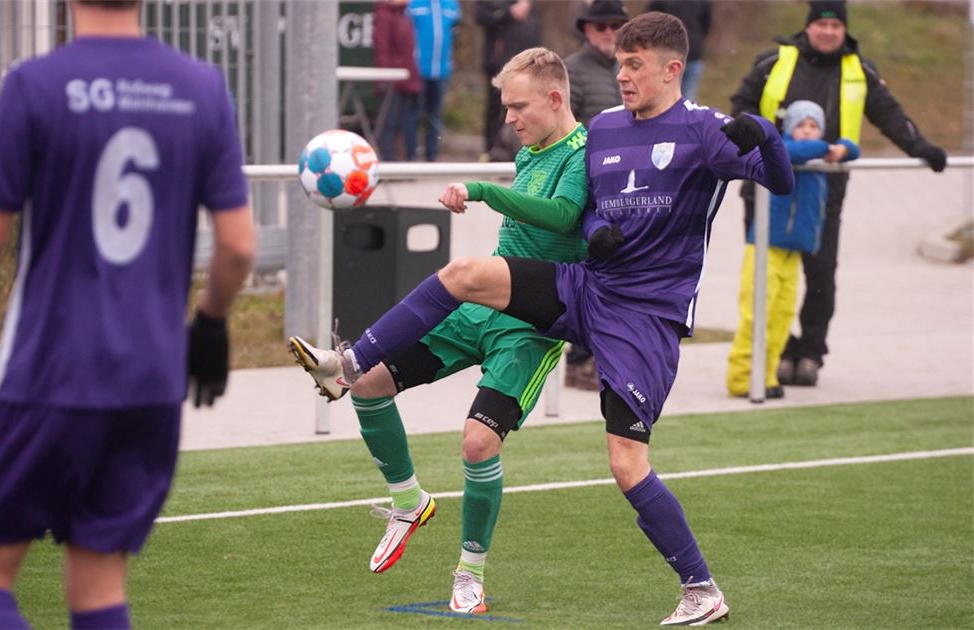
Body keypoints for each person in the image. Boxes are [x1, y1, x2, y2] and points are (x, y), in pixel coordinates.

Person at [291, 12, 794, 625]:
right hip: (585, 286)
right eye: (619, 62)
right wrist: (598, 230)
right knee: (463, 275)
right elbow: (583, 212)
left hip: (643, 315)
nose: (621, 73)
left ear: (672, 68)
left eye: (634, 64)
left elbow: (781, 182)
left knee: (624, 462)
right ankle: (352, 364)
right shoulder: (607, 128)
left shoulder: (704, 129)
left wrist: (766, 137)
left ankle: (700, 588)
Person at [0, 2, 256, 629]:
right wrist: (211, 323)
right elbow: (239, 244)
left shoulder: (35, 84)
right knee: (98, 584)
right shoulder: (201, 87)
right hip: (149, 386)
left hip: (50, 375)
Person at [290, 47, 588, 615]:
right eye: (504, 107)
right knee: (371, 384)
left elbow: (562, 218)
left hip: (531, 327)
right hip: (483, 306)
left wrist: (481, 190)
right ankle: (408, 502)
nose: (509, 119)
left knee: (477, 443)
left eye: (517, 106)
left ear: (555, 99)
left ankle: (470, 571)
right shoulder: (531, 150)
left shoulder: (584, 152)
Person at [731, 0, 947, 387]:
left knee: (820, 279)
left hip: (823, 196)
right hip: (767, 196)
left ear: (845, 31)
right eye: (821, 24)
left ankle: (811, 354)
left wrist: (923, 149)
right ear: (808, 26)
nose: (828, 32)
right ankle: (775, 356)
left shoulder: (858, 70)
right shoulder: (773, 62)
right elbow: (741, 108)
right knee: (766, 284)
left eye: (836, 27)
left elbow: (891, 116)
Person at [726, 100, 859, 400]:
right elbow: (791, 150)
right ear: (789, 129)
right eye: (802, 125)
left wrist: (841, 150)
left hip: (793, 251)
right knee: (757, 313)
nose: (808, 132)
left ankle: (766, 374)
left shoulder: (820, 155)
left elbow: (853, 147)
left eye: (814, 126)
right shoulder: (784, 151)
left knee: (781, 316)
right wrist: (825, 146)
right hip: (765, 247)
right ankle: (740, 376)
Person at [562, 0, 628, 391]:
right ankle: (579, 360)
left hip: (624, 191)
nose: (608, 31)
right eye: (600, 25)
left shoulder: (629, 69)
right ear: (586, 29)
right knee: (589, 278)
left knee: (616, 277)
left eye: (616, 25)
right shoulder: (572, 71)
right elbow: (561, 133)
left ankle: (601, 358)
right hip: (587, 189)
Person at [476, 1, 541, 161]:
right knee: (497, 107)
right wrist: (509, 13)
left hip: (525, 63)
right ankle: (492, 150)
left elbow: (535, 26)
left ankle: (518, 150)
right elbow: (481, 16)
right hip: (499, 63)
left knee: (524, 106)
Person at [408, 0, 460, 162]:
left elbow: (455, 34)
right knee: (415, 113)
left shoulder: (451, 5)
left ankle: (432, 154)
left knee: (435, 114)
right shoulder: (414, 4)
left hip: (442, 69)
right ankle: (411, 153)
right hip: (419, 69)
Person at [374, 0, 421, 161]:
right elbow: (383, 50)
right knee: (388, 124)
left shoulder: (404, 15)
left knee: (400, 124)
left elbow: (409, 52)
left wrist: (413, 79)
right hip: (392, 81)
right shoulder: (384, 16)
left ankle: (397, 163)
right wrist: (385, 78)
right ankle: (387, 162)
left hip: (405, 80)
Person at [647, 0, 711, 102]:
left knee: (687, 101)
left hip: (693, 57)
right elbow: (648, 23)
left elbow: (706, 24)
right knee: (664, 101)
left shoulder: (702, 2)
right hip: (665, 59)